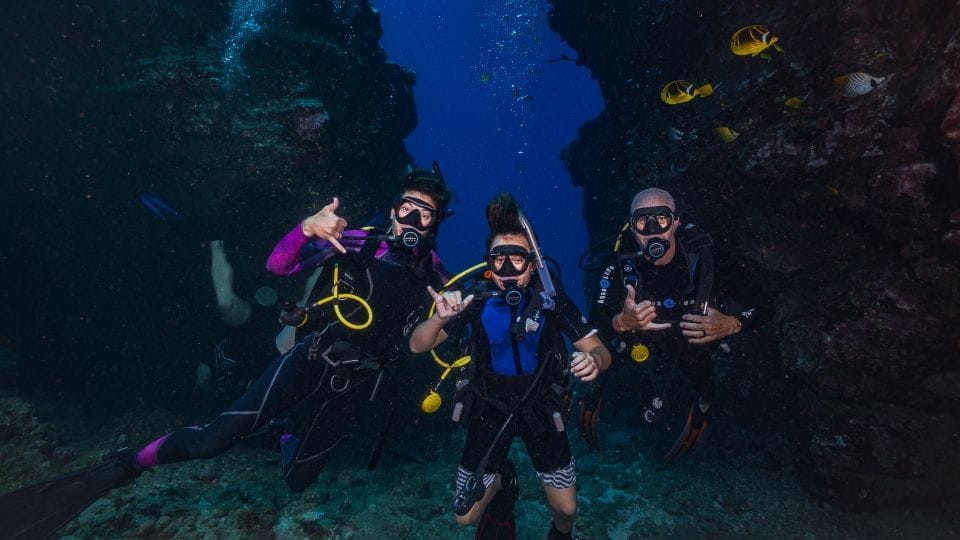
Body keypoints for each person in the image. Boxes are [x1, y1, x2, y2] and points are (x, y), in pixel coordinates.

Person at [0, 166, 454, 538]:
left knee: (298, 481)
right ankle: (125, 463)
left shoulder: (436, 275)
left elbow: (418, 346)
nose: (412, 220)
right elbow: (278, 266)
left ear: (436, 225)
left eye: (425, 215)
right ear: (393, 209)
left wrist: (446, 319)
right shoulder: (356, 240)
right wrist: (305, 228)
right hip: (312, 357)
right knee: (213, 439)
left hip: (358, 383)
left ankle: (284, 435)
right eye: (406, 208)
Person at [410, 193, 611, 540]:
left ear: (533, 264)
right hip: (488, 409)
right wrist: (439, 321)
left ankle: (559, 536)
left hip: (542, 408)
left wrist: (594, 361)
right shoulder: (474, 301)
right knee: (464, 517)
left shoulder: (552, 300)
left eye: (516, 260)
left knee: (566, 510)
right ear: (487, 265)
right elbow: (417, 345)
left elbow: (600, 350)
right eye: (498, 260)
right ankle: (504, 480)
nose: (506, 271)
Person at [582, 187, 773, 460]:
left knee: (706, 383)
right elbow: (592, 322)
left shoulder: (709, 261)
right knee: (601, 362)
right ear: (631, 228)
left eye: (660, 219)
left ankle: (702, 409)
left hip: (690, 342)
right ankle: (593, 397)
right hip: (635, 341)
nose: (651, 231)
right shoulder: (617, 266)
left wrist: (732, 323)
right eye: (641, 222)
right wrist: (620, 322)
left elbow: (766, 305)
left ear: (676, 222)